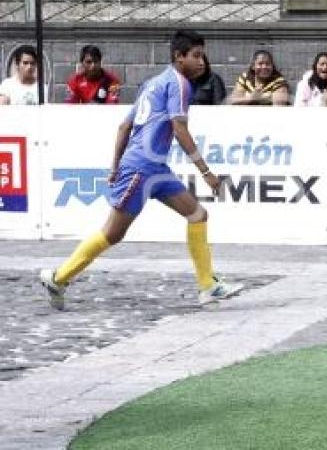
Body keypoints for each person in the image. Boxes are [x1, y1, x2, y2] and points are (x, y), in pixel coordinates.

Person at [38, 30, 243, 310]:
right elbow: (179, 128)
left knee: (197, 214)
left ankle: (208, 286)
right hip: (141, 168)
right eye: (195, 56)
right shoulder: (179, 84)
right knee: (112, 234)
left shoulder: (154, 83)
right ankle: (58, 277)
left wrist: (114, 166)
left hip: (154, 168)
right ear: (178, 57)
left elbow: (125, 126)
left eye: (202, 56)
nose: (201, 62)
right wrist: (205, 171)